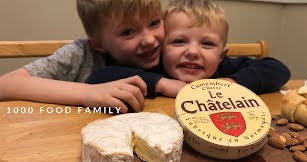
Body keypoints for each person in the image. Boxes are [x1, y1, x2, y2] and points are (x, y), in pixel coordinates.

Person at [0, 0, 176, 113]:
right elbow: (5, 85)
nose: (149, 39)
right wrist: (88, 93)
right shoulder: (81, 54)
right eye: (128, 32)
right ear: (98, 44)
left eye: (154, 23)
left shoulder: (172, 43)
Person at [87, 0, 291, 97]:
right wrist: (163, 84)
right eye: (179, 42)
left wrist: (231, 83)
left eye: (207, 43)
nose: (193, 52)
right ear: (162, 47)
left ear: (222, 55)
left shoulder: (222, 69)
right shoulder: (156, 70)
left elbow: (278, 69)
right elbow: (100, 77)